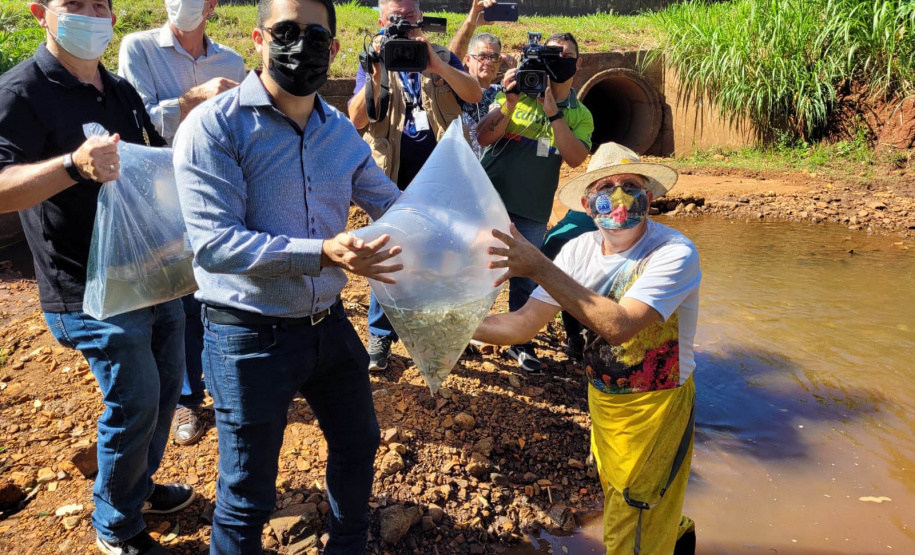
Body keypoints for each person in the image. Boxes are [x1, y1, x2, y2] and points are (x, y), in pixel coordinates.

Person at [172, 0, 403, 550]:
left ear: (336, 49)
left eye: (317, 35)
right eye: (286, 31)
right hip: (247, 333)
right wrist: (322, 252)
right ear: (258, 38)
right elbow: (215, 244)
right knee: (248, 488)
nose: (302, 45)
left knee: (358, 443)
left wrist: (459, 227)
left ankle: (348, 542)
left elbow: (394, 208)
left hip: (327, 324)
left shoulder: (341, 135)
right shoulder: (216, 127)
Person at [0, 0, 195, 553]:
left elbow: (151, 171)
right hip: (86, 289)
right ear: (41, 12)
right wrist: (70, 166)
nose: (91, 14)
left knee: (158, 396)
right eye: (74, 4)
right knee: (135, 399)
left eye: (100, 5)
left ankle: (136, 486)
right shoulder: (21, 93)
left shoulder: (120, 92)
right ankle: (116, 522)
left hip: (149, 274)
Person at [473, 142, 700, 555]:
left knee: (631, 525)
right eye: (605, 185)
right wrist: (454, 325)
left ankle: (664, 531)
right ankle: (676, 530)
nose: (617, 195)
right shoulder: (577, 251)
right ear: (586, 202)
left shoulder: (673, 253)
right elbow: (522, 324)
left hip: (658, 408)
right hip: (604, 402)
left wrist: (538, 264)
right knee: (624, 494)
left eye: (630, 184)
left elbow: (620, 326)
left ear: (648, 195)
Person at [118, 0, 246, 447]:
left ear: (211, 4)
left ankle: (227, 385)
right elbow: (139, 122)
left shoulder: (231, 60)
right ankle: (187, 401)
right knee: (181, 298)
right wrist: (191, 101)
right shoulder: (140, 49)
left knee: (221, 289)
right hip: (161, 191)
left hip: (216, 189)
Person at [348, 0, 483, 371]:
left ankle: (441, 331)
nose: (401, 24)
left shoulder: (439, 55)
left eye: (408, 17)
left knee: (444, 253)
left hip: (442, 176)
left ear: (420, 17)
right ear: (379, 20)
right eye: (394, 17)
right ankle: (380, 336)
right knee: (388, 254)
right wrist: (374, 73)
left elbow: (473, 95)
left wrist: (437, 65)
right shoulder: (374, 59)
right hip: (390, 177)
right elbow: (356, 119)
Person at [476, 32, 593, 373]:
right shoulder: (515, 94)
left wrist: (554, 114)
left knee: (525, 278)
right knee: (478, 270)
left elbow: (574, 158)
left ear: (578, 62)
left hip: (533, 210)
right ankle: (469, 330)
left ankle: (519, 342)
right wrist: (509, 104)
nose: (559, 60)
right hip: (490, 202)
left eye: (566, 55)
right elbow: (483, 136)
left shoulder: (581, 114)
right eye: (552, 55)